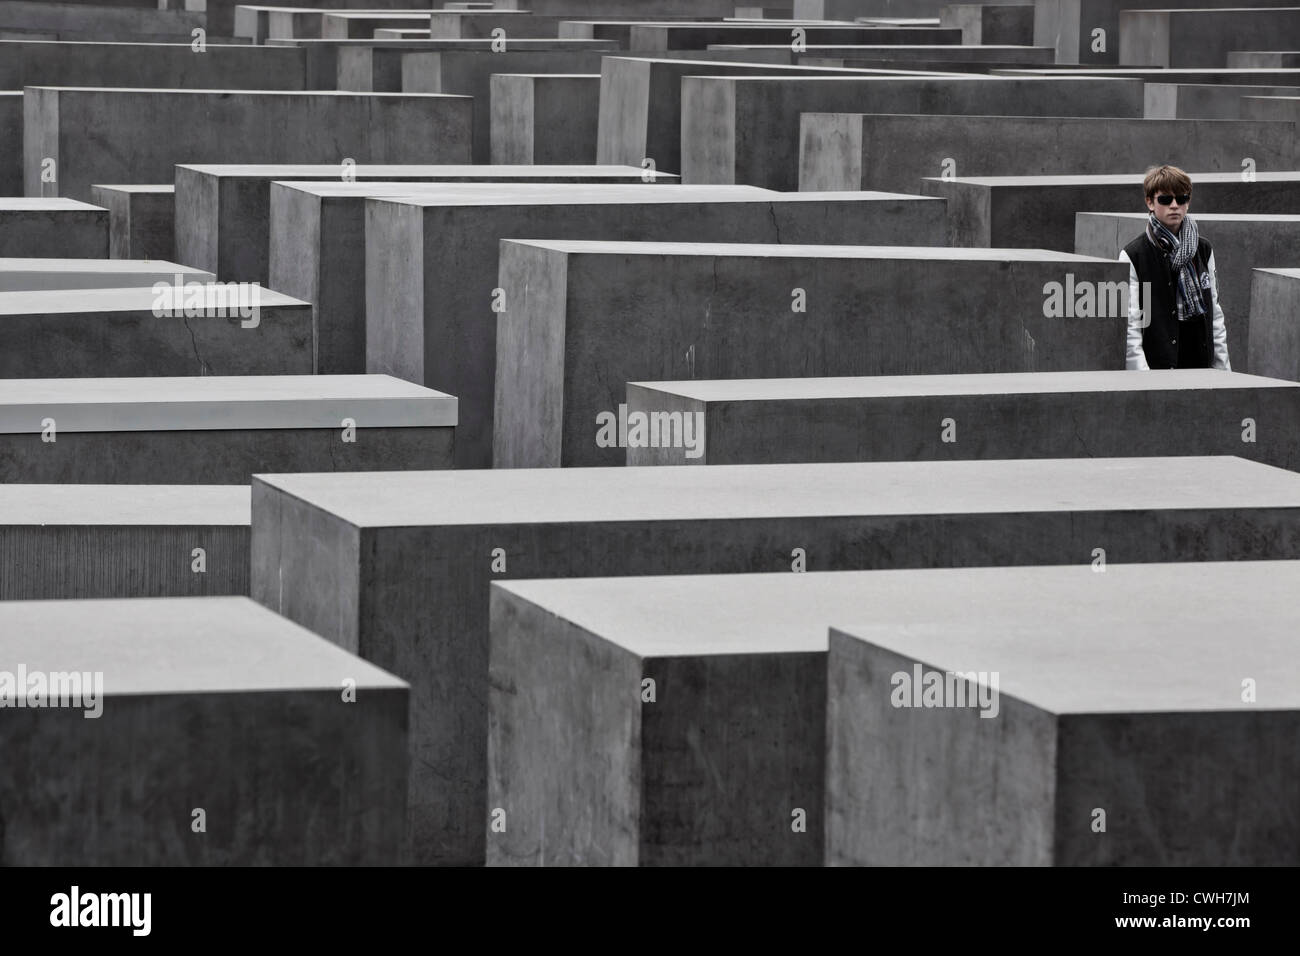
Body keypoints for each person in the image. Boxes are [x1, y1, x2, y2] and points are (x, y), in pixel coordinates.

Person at [1120, 164, 1230, 370]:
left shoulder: (1203, 248)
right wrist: (1142, 377)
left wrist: (1223, 369)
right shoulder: (1134, 255)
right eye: (1165, 199)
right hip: (1158, 366)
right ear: (1150, 202)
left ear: (1188, 203)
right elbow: (1131, 326)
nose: (1174, 205)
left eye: (1181, 199)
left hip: (1200, 362)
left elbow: (1215, 313)